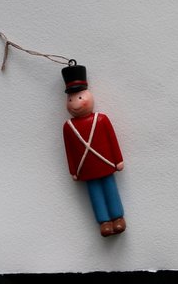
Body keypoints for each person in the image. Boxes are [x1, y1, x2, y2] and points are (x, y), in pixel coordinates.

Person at [62, 64, 126, 237]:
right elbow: (69, 151)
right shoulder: (68, 127)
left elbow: (112, 140)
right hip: (87, 169)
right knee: (95, 193)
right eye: (70, 99)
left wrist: (118, 159)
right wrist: (73, 171)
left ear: (88, 95)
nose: (75, 103)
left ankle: (118, 217)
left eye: (79, 97)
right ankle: (104, 221)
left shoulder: (101, 119)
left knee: (110, 188)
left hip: (105, 164)